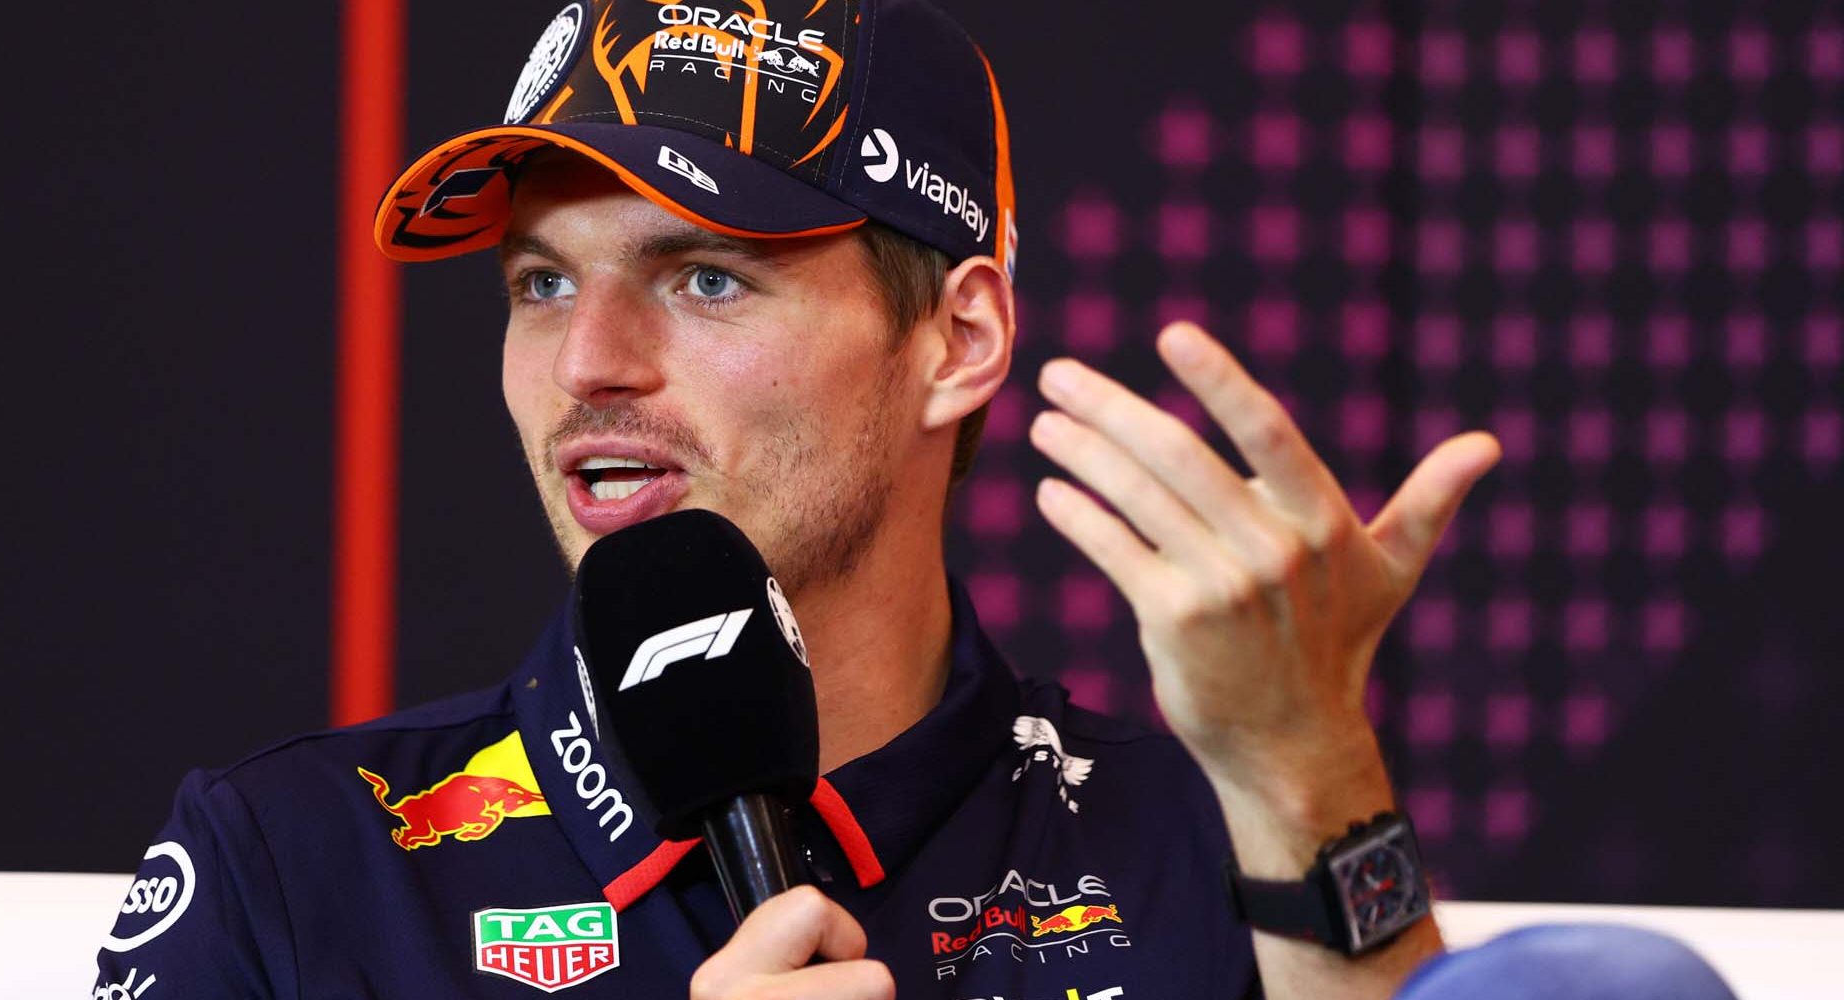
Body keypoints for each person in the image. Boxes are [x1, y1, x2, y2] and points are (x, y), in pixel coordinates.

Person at [95, 1, 1504, 997]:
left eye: (706, 276)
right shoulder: (295, 862)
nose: (588, 364)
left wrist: (1309, 765)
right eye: (541, 283)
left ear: (956, 341)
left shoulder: (1195, 838)